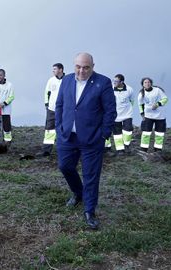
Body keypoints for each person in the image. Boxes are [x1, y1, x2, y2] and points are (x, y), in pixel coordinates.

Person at [55, 53, 116, 230]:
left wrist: (103, 134)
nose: (81, 71)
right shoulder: (66, 81)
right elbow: (59, 105)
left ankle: (89, 211)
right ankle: (78, 192)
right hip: (68, 137)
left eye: (86, 67)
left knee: (91, 176)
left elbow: (110, 111)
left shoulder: (102, 83)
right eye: (78, 67)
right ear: (73, 66)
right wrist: (59, 128)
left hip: (92, 139)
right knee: (65, 166)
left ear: (92, 66)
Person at [37, 63, 64, 157]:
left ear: (60, 70)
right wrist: (46, 104)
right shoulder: (51, 80)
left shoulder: (67, 80)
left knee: (63, 129)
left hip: (64, 110)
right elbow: (47, 93)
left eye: (55, 69)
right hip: (51, 109)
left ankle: (64, 149)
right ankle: (46, 151)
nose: (53, 71)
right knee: (49, 130)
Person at [138, 77, 168, 152]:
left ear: (151, 83)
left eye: (148, 82)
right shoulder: (141, 94)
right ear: (143, 84)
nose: (147, 84)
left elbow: (165, 99)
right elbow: (140, 104)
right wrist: (142, 114)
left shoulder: (157, 90)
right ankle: (144, 150)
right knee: (146, 133)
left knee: (159, 134)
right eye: (145, 82)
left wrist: (158, 104)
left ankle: (158, 150)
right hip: (148, 116)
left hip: (160, 116)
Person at [110, 74, 135, 154]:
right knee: (117, 134)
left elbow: (132, 101)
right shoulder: (110, 88)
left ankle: (126, 144)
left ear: (122, 82)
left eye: (116, 81)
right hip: (115, 115)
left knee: (128, 130)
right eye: (114, 81)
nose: (114, 82)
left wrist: (129, 109)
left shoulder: (129, 89)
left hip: (127, 114)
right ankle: (120, 150)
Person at [0, 69, 15, 144]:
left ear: (4, 75)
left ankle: (7, 141)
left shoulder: (10, 85)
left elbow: (12, 96)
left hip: (6, 109)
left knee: (6, 126)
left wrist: (4, 103)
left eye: (0, 75)